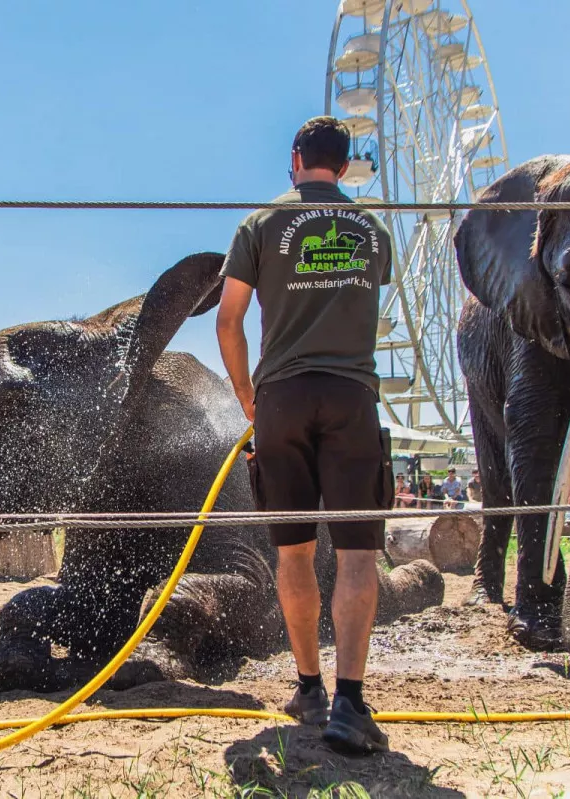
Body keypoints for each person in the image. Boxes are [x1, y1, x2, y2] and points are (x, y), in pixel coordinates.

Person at [216, 116, 393, 754]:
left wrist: (248, 397)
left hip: (281, 399)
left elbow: (229, 320)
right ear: (344, 167)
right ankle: (350, 704)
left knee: (292, 552)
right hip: (352, 397)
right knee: (357, 555)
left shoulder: (260, 224)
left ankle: (308, 687)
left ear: (295, 160)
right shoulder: (372, 230)